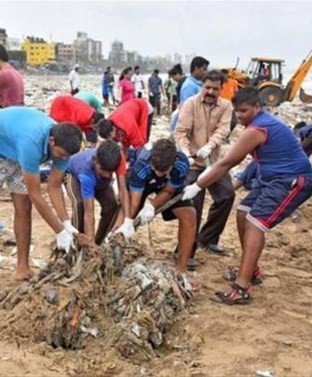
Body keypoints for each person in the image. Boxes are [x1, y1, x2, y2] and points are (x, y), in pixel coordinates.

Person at [181, 86, 312, 304]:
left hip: (293, 181)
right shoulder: (257, 125)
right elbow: (252, 164)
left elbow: (226, 162)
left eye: (244, 111)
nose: (239, 115)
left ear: (257, 107)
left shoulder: (257, 129)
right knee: (243, 212)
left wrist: (197, 186)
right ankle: (251, 270)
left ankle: (242, 287)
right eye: (237, 111)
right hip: (271, 179)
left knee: (255, 222)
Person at [0, 107, 83, 294]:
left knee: (24, 207)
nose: (63, 158)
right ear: (52, 141)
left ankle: (22, 267)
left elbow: (54, 186)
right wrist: (59, 232)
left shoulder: (64, 147)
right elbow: (36, 193)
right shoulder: (32, 142)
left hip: (19, 152)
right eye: (61, 154)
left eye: (66, 156)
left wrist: (66, 223)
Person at [174, 70, 234, 268]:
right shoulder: (190, 103)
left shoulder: (226, 106)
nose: (210, 92)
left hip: (213, 163)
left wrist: (210, 145)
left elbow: (223, 130)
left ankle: (207, 238)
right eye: (207, 87)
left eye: (215, 89)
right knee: (194, 205)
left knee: (227, 196)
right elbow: (181, 131)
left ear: (220, 89)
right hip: (192, 163)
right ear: (202, 86)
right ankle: (185, 250)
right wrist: (185, 150)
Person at [127, 139, 196, 272]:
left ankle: (181, 268)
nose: (159, 173)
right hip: (142, 180)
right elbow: (134, 203)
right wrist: (127, 222)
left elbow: (169, 191)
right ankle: (113, 244)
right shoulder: (142, 164)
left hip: (166, 184)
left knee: (189, 215)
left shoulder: (181, 165)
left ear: (173, 162)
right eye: (156, 169)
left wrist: (152, 206)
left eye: (163, 170)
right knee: (126, 213)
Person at [65, 140, 133, 246]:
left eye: (110, 172)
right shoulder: (86, 172)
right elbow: (89, 213)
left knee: (112, 205)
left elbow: (123, 190)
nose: (107, 175)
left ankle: (100, 242)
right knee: (80, 205)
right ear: (95, 161)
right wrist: (89, 242)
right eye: (103, 170)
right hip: (74, 175)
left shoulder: (118, 158)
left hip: (98, 179)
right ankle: (75, 244)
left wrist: (128, 220)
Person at [220, 69, 240, 133]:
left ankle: (228, 134)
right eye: (222, 75)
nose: (224, 77)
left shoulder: (233, 82)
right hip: (221, 105)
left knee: (233, 122)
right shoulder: (219, 83)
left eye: (225, 75)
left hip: (231, 105)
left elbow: (236, 93)